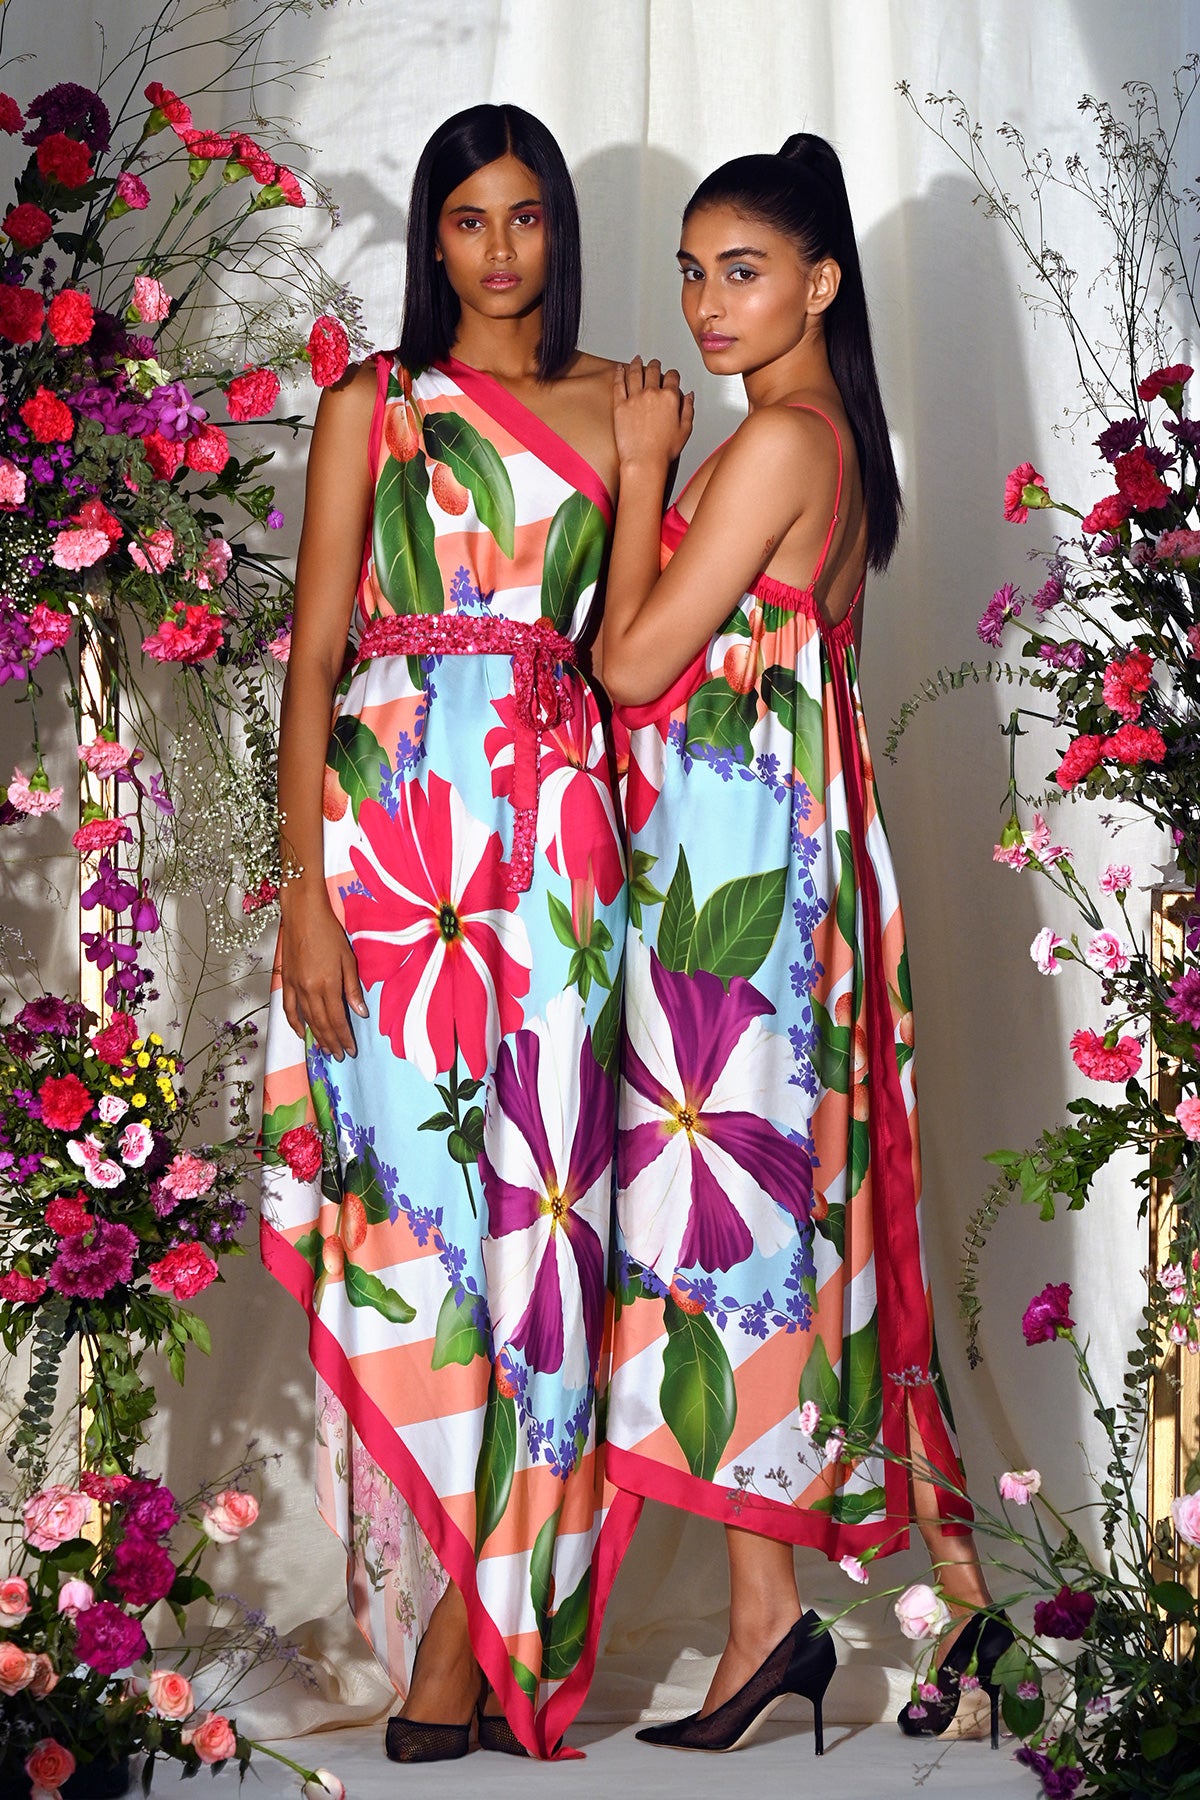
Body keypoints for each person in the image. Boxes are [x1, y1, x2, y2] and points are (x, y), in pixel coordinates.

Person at [595, 133, 1011, 1755]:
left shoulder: (777, 442)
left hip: (742, 876)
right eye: (692, 271)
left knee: (743, 1232)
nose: (704, 302)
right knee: (783, 1236)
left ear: (821, 281)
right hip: (776, 854)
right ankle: (877, 1619)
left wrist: (643, 468)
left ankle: (792, 1623)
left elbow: (634, 666)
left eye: (742, 270)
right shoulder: (821, 432)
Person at [260, 103, 641, 1764]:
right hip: (392, 849)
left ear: (559, 229)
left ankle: (484, 1636)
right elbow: (317, 652)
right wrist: (300, 892)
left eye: (527, 217)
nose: (500, 251)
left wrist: (655, 469)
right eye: (469, 222)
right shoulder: (375, 406)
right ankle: (429, 1615)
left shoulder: (624, 404)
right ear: (434, 241)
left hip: (558, 840)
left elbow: (632, 649)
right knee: (421, 1220)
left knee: (541, 1230)